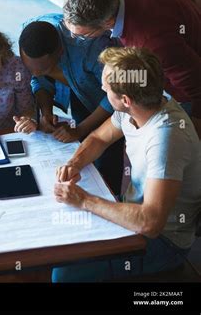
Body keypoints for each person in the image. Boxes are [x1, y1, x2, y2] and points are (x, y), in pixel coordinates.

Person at [52, 47, 201, 282]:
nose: (102, 89)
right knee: (58, 240)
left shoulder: (166, 138)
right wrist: (75, 163)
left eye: (106, 87)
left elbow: (150, 222)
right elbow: (99, 138)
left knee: (64, 275)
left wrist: (83, 200)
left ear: (125, 100)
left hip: (164, 242)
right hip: (135, 213)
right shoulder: (140, 105)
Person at [62, 0, 201, 138]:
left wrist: (191, 128)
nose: (73, 38)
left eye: (82, 35)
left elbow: (196, 86)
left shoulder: (152, 43)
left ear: (107, 23)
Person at [19, 16, 124, 195]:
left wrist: (81, 129)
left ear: (59, 52)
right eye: (30, 69)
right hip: (78, 93)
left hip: (111, 98)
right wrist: (46, 112)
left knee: (105, 160)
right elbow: (39, 81)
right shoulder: (29, 35)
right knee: (77, 153)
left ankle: (109, 200)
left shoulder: (93, 47)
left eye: (43, 69)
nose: (34, 74)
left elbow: (115, 95)